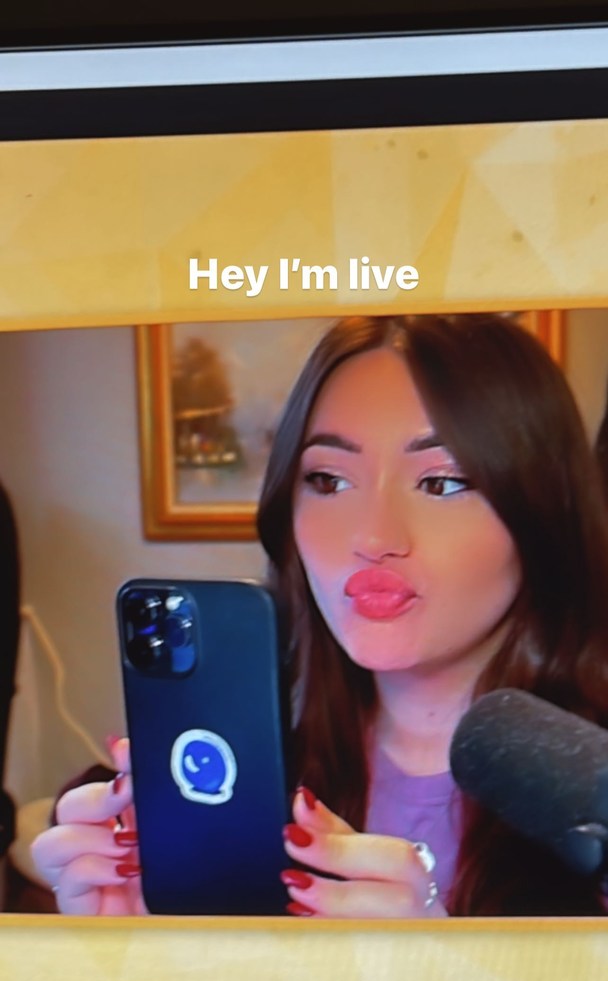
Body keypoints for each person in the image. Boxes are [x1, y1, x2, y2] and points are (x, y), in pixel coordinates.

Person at [31, 313, 608, 917]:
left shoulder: (592, 793)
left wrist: (442, 968)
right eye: (329, 481)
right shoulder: (245, 773)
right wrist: (136, 952)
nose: (373, 538)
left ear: (541, 508)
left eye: (441, 484)